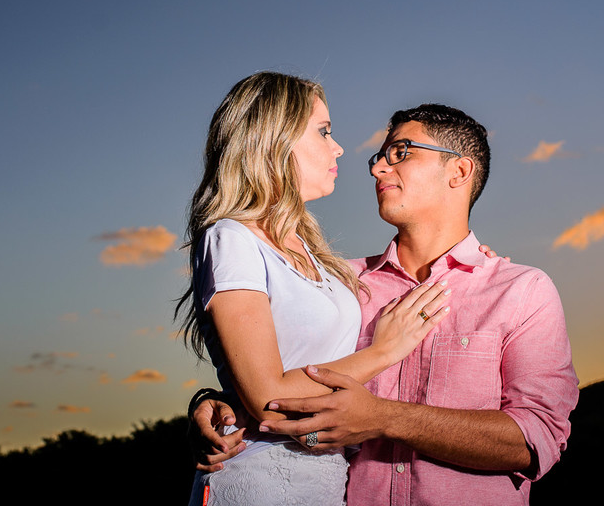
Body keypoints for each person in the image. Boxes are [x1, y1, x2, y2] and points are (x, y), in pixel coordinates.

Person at [194, 103, 578, 506]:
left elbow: (535, 440)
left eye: (401, 153)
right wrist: (218, 404)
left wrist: (383, 417)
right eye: (379, 158)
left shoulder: (522, 291)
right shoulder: (338, 286)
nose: (378, 169)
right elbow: (275, 381)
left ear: (459, 171)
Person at [176, 73, 455, 505]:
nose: (339, 146)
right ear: (274, 140)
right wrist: (384, 350)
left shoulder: (318, 256)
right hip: (260, 484)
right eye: (323, 131)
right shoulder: (230, 237)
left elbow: (296, 354)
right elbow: (267, 395)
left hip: (328, 484)